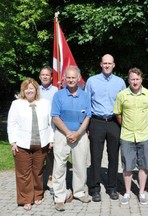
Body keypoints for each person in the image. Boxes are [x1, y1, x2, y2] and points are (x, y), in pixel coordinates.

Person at [7, 78, 54, 211]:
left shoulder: (45, 103)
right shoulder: (16, 104)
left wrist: (51, 139)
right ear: (23, 90)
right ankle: (26, 199)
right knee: (23, 173)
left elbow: (51, 123)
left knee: (38, 171)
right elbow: (12, 124)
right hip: (22, 144)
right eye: (26, 88)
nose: (29, 90)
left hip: (41, 144)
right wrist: (13, 142)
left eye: (31, 88)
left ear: (36, 90)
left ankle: (38, 194)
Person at [85, 54, 126, 202]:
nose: (107, 65)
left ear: (114, 65)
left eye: (110, 63)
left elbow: (124, 104)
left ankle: (112, 187)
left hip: (114, 122)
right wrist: (87, 125)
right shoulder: (92, 81)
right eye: (105, 63)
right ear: (101, 64)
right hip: (97, 122)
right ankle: (95, 188)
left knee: (113, 157)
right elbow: (87, 103)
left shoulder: (120, 82)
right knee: (96, 157)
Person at [113, 67, 148, 205]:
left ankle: (141, 192)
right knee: (127, 166)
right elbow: (118, 114)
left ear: (141, 79)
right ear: (129, 80)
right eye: (132, 79)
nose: (135, 81)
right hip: (127, 135)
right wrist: (127, 125)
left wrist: (140, 125)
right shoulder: (122, 95)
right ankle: (127, 192)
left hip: (143, 135)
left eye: (137, 79)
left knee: (143, 166)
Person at [51, 66, 91, 211]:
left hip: (80, 135)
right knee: (60, 166)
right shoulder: (58, 95)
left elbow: (88, 116)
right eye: (68, 77)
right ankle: (59, 197)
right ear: (64, 79)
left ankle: (79, 192)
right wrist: (68, 132)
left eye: (73, 77)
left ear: (78, 78)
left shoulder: (85, 96)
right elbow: (55, 116)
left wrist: (78, 133)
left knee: (80, 165)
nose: (71, 80)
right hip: (62, 134)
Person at [39, 66, 58, 194]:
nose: (45, 76)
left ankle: (51, 179)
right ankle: (38, 181)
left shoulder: (56, 90)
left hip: (52, 127)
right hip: (39, 127)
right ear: (40, 77)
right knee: (39, 155)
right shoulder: (35, 90)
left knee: (51, 155)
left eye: (47, 75)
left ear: (51, 77)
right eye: (43, 74)